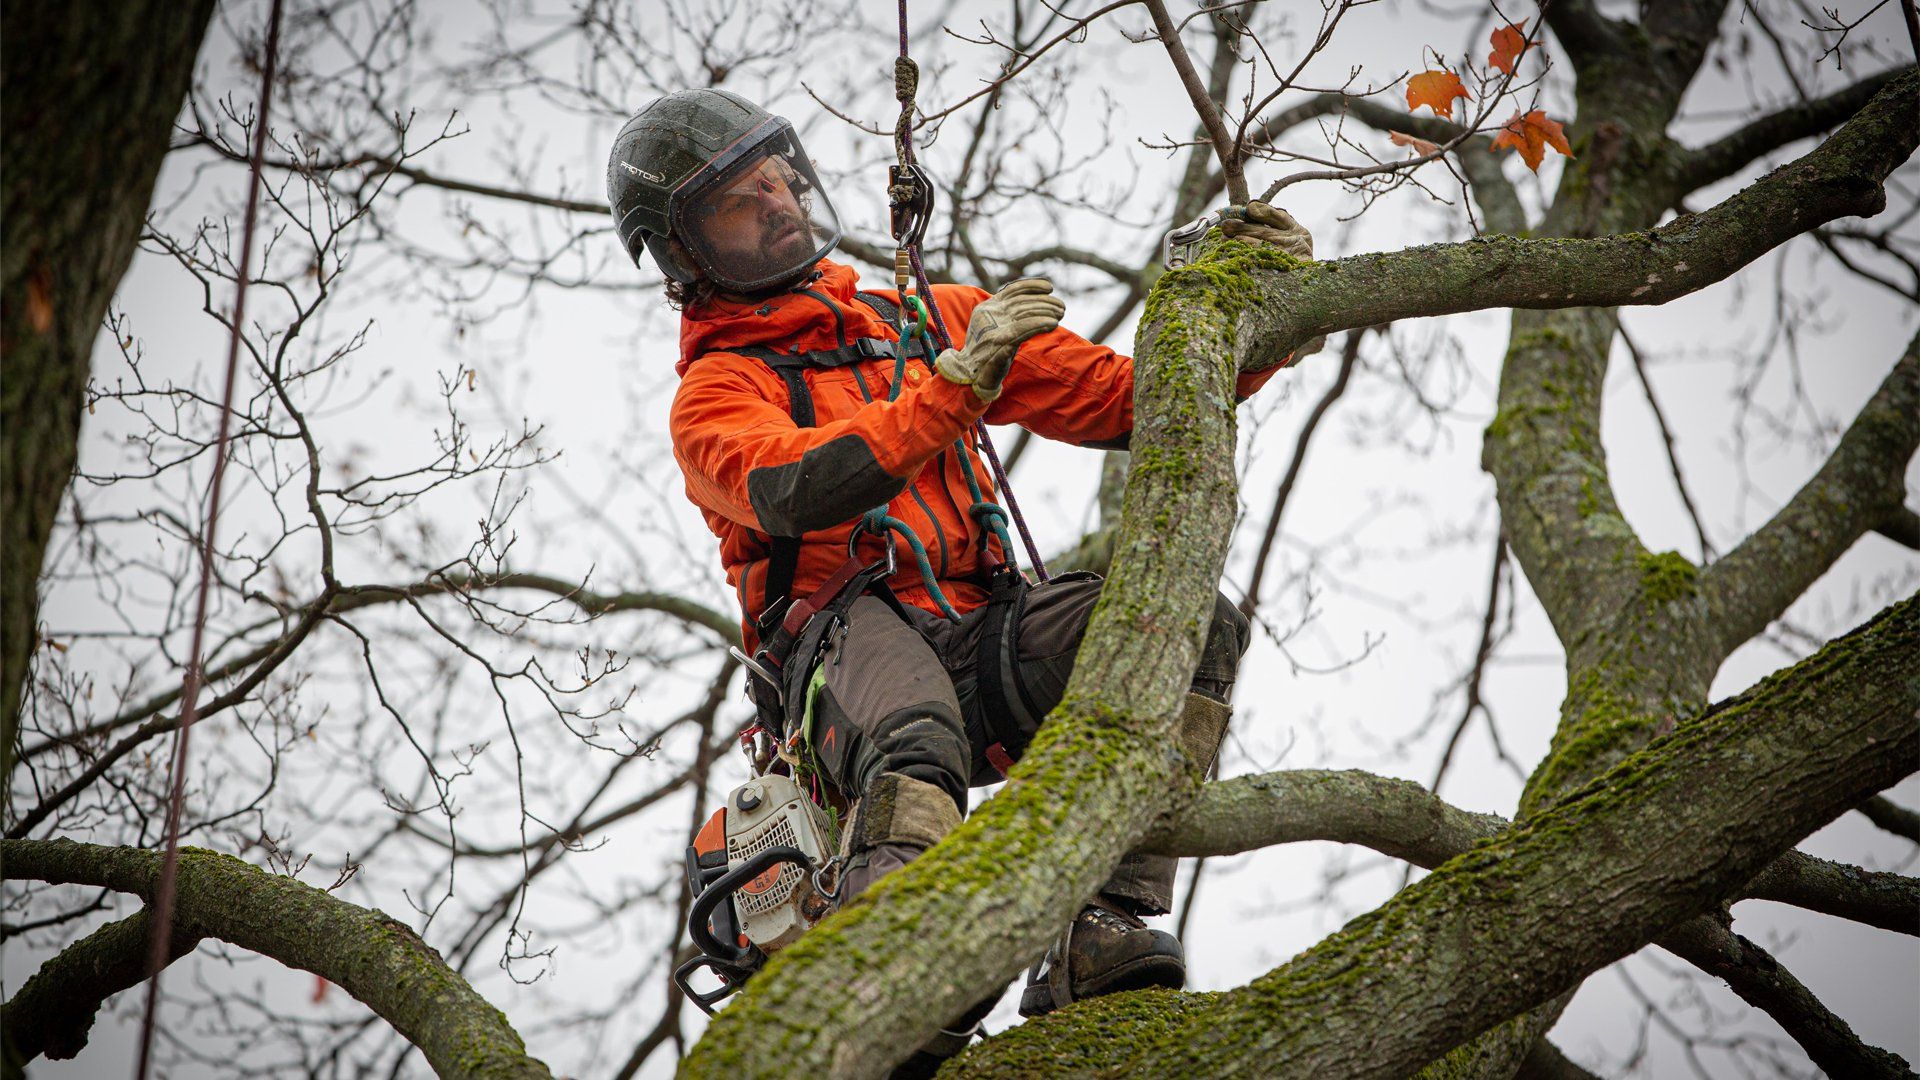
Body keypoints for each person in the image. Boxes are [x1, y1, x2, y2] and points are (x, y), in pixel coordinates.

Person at [606, 88, 1312, 1054]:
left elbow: (1130, 400)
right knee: (915, 736)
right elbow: (801, 485)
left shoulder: (932, 321)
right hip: (846, 654)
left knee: (1181, 621)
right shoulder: (718, 396)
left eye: (776, 179)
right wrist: (953, 389)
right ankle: (888, 991)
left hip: (983, 636)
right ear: (686, 254)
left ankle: (1100, 923)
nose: (774, 203)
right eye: (738, 200)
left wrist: (1254, 320)